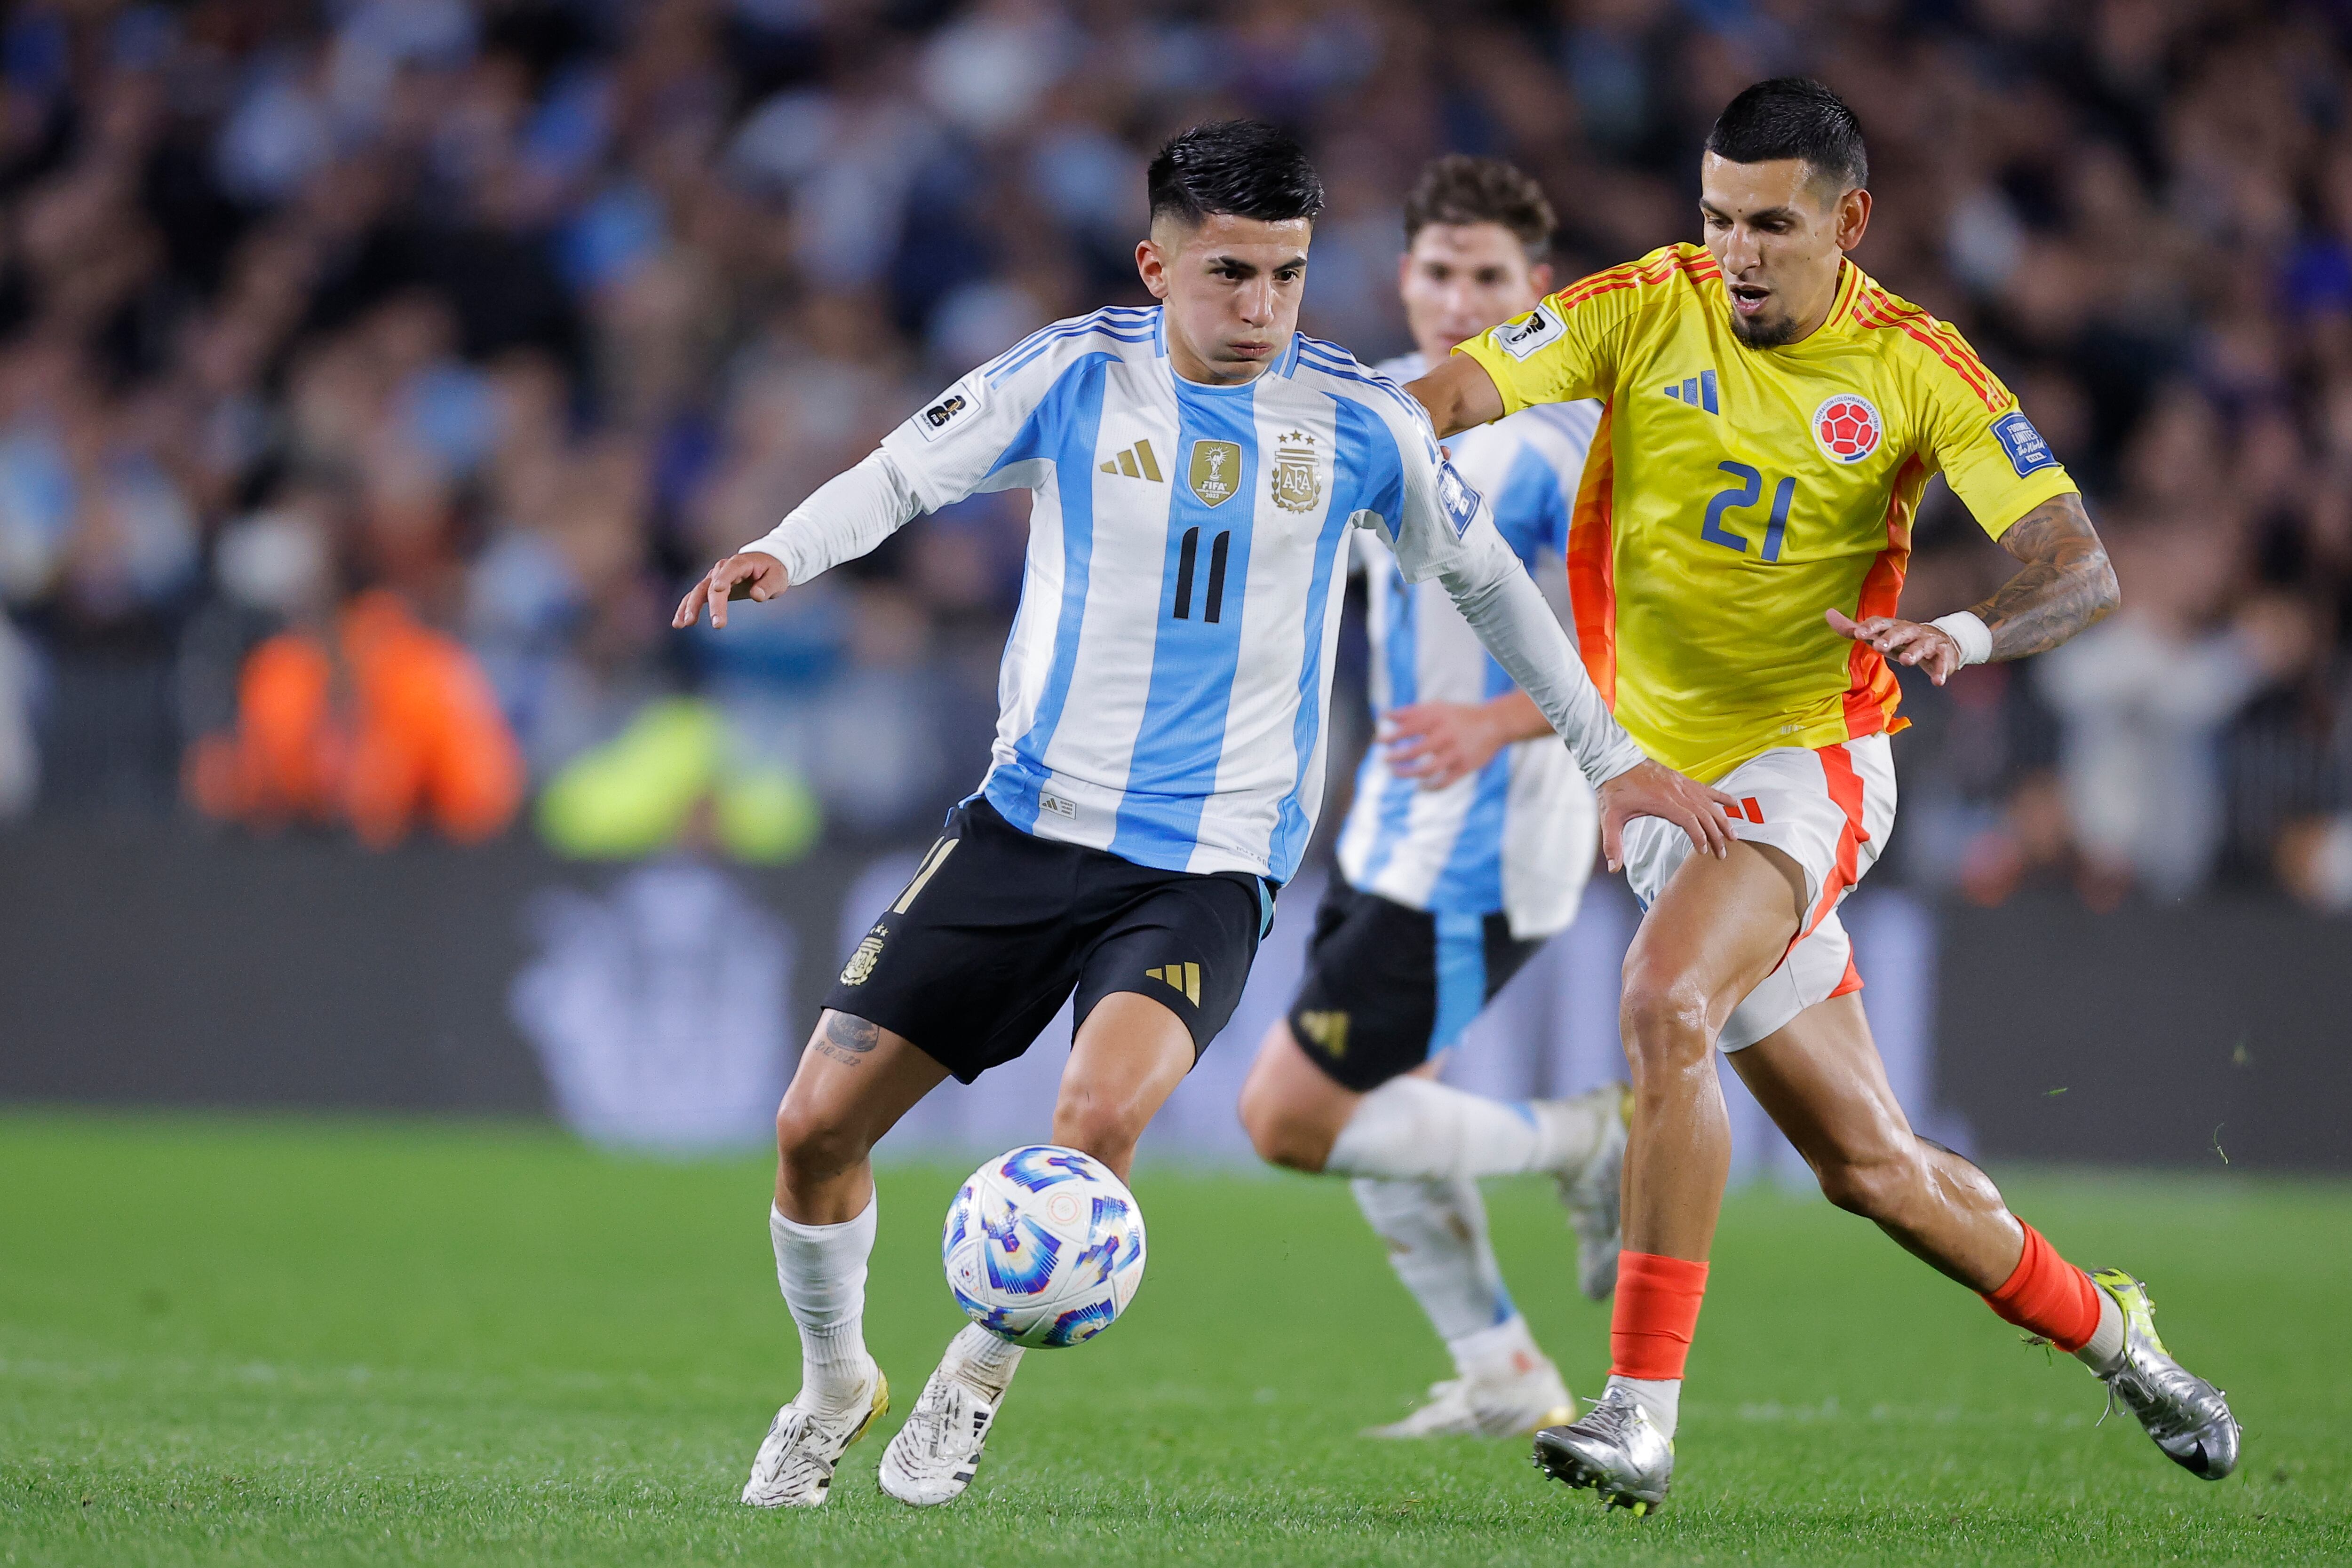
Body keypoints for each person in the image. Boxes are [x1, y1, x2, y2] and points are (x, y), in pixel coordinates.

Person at [672, 120, 1734, 1512]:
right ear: (1155, 264)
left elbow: (1491, 586)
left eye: (1288, 277)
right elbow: (903, 472)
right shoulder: (1070, 374)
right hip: (1026, 823)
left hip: (1210, 860)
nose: (1260, 310)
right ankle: (833, 1384)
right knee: (814, 1129)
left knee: (1097, 1117)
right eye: (1229, 273)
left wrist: (1606, 759)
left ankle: (971, 1383)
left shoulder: (1360, 421)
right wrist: (782, 549)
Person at [1408, 79, 2238, 1512]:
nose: (1737, 252)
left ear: (1848, 221)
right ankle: (2127, 1341)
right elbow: (1458, 390)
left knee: (1664, 1003)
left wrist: (1968, 634)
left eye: (1773, 226)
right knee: (1875, 1170)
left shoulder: (1916, 365)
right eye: (1720, 218)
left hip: (1812, 763)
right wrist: (1351, 441)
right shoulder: (1643, 305)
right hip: (1665, 789)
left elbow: (2076, 559)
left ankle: (1638, 1415)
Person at [1235, 155, 1627, 1441]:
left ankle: (1586, 1143)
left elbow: (1643, 652)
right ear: (1405, 278)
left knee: (1292, 1118)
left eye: (1491, 279)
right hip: (1389, 826)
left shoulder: (1569, 445)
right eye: (1442, 272)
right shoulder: (1387, 407)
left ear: (1538, 293)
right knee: (1390, 1117)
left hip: (1497, 835)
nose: (1462, 299)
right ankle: (1506, 1377)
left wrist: (1497, 720)